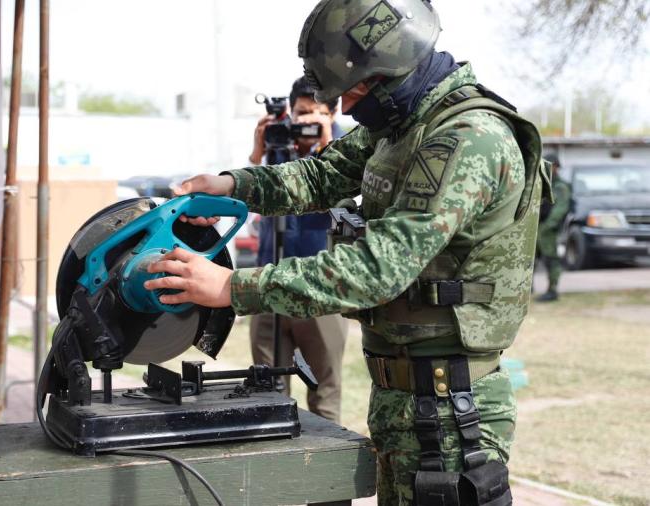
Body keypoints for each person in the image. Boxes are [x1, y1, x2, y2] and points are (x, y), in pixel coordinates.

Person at [145, 1, 548, 504]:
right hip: (408, 397)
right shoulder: (402, 124)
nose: (343, 107)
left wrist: (232, 286)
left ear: (388, 73)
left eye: (350, 91)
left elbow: (379, 267)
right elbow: (323, 174)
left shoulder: (466, 140)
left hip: (450, 409)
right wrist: (231, 187)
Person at [249, 76, 348, 423]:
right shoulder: (280, 145)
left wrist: (326, 145)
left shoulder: (348, 150)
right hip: (267, 282)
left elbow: (346, 203)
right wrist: (258, 153)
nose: (306, 121)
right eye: (301, 113)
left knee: (324, 392)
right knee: (266, 394)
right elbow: (254, 198)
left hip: (320, 289)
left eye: (316, 114)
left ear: (331, 114)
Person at [536, 153, 571, 302]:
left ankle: (552, 290)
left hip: (548, 230)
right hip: (538, 228)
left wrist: (548, 226)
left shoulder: (560, 187)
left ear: (556, 167)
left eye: (550, 166)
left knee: (551, 259)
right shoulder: (543, 183)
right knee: (530, 260)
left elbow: (560, 209)